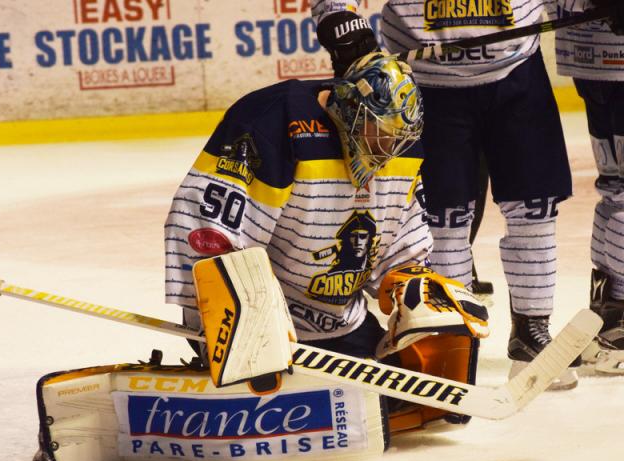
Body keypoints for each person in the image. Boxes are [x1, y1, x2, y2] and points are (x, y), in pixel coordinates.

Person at [165, 52, 488, 432]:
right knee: (242, 309)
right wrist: (229, 322)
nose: (386, 151)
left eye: (396, 140)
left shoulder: (397, 146)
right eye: (378, 133)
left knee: (401, 389)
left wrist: (410, 281)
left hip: (337, 322)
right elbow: (208, 229)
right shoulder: (274, 119)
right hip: (259, 321)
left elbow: (400, 237)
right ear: (349, 109)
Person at [312, 1, 579, 388]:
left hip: (519, 73)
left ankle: (531, 335)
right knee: (444, 221)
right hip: (429, 83)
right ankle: (455, 339)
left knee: (535, 209)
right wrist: (337, 15)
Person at [555, 0, 624, 368]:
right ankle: (613, 315)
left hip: (590, 53)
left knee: (616, 186)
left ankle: (612, 314)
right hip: (599, 55)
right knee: (616, 185)